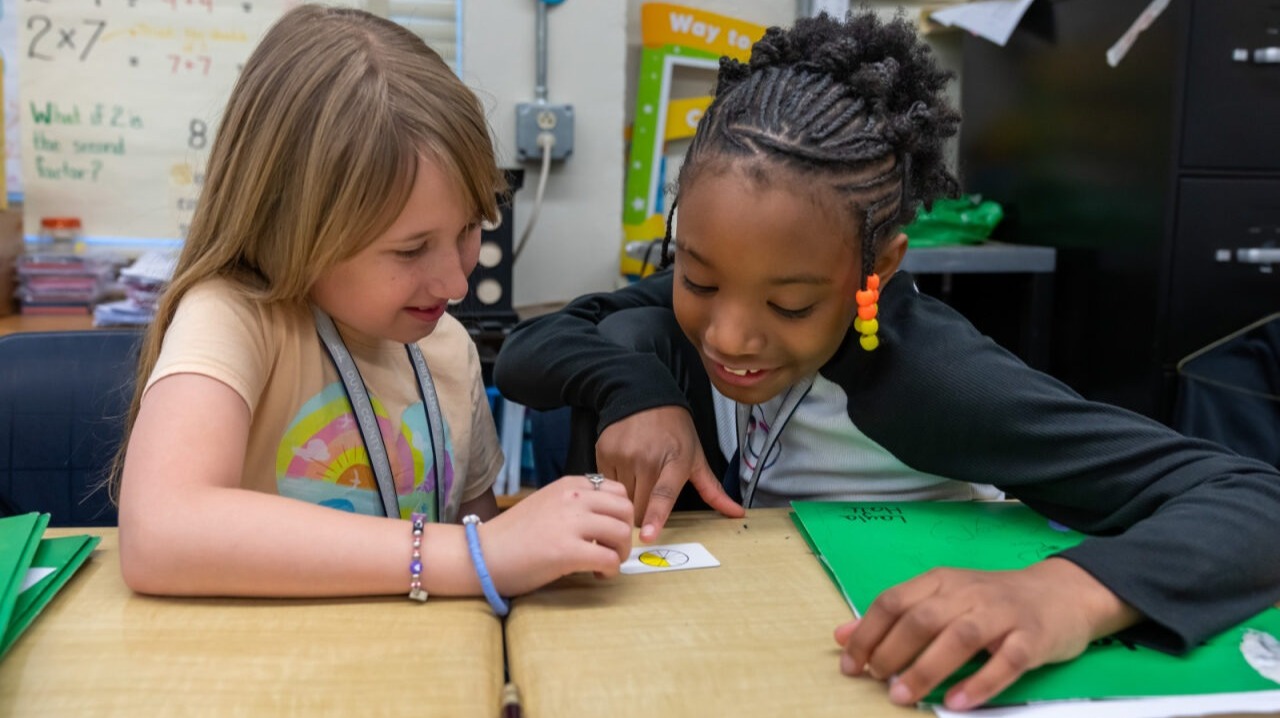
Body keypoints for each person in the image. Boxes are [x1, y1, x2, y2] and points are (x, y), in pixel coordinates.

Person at [494, 10, 1280, 711]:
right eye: (698, 276)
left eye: (792, 305)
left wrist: (1062, 597)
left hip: (893, 647)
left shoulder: (934, 379)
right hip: (731, 625)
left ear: (882, 267)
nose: (729, 335)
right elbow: (527, 351)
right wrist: (637, 391)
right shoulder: (705, 302)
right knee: (626, 342)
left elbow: (1252, 499)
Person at [109, 5, 633, 610]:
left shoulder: (446, 348)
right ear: (294, 228)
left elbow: (487, 566)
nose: (456, 285)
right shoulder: (232, 318)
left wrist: (532, 549)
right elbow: (159, 533)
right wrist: (477, 556)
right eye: (411, 249)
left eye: (468, 228)